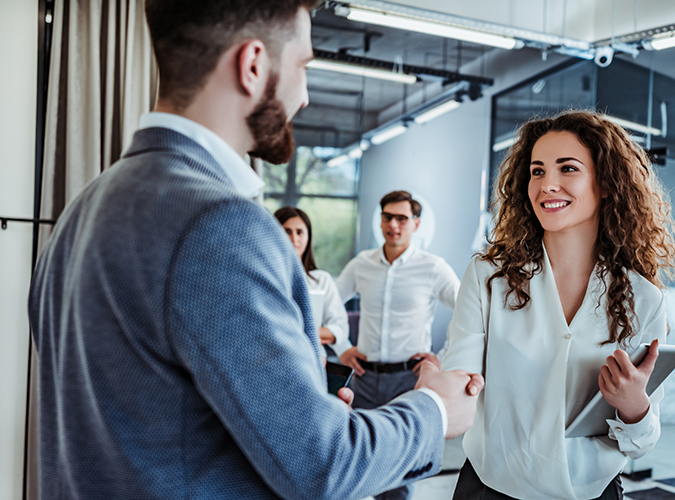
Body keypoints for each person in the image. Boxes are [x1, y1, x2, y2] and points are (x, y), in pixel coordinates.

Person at [27, 2, 483, 499]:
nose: (304, 96)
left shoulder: (81, 211)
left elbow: (146, 427)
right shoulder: (219, 226)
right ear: (252, 65)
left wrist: (299, 413)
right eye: (303, 66)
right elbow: (323, 464)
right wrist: (434, 410)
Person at [442, 110, 675, 500]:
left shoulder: (643, 299)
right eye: (537, 171)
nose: (547, 184)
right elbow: (458, 383)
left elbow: (642, 442)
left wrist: (634, 405)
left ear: (606, 183)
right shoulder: (488, 277)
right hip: (491, 489)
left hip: (593, 492)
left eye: (567, 168)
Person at [335, 190, 461, 500]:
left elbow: (468, 312)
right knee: (359, 460)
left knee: (402, 472)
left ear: (416, 223)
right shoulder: (361, 264)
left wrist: (441, 358)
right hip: (364, 379)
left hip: (408, 380)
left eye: (402, 218)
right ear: (380, 221)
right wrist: (342, 347)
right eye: (387, 217)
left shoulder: (433, 267)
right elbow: (330, 306)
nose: (393, 225)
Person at [274, 206, 350, 355]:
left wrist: (302, 332)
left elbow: (340, 328)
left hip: (312, 360)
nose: (294, 239)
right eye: (287, 231)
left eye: (299, 232)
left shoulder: (322, 280)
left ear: (308, 237)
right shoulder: (264, 280)